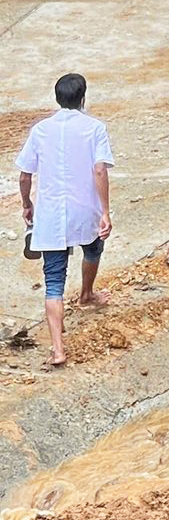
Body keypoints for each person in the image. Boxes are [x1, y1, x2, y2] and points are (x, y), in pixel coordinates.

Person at [14, 73, 114, 368]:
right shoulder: (95, 128)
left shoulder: (40, 130)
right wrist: (105, 211)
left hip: (51, 215)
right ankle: (86, 293)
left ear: (57, 99)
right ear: (83, 98)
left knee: (53, 281)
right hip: (85, 210)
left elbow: (24, 175)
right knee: (94, 249)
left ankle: (58, 349)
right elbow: (99, 171)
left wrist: (27, 204)